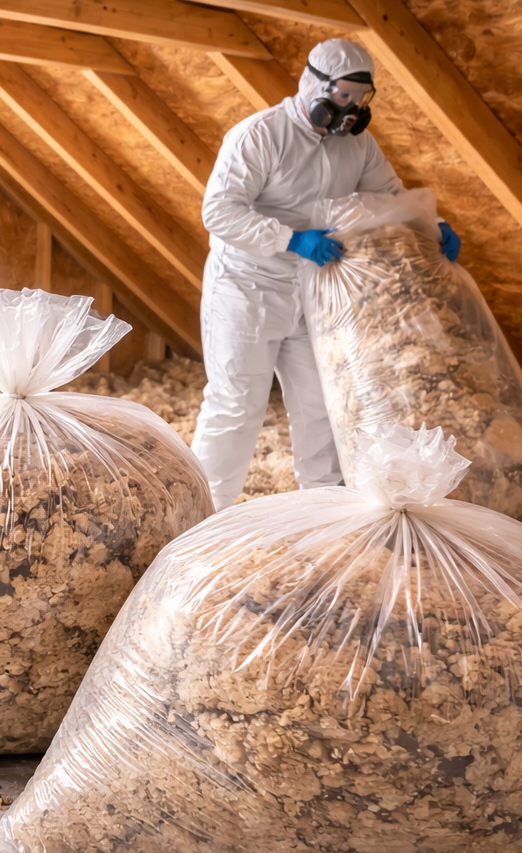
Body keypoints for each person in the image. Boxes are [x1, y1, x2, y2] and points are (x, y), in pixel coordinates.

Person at [192, 38, 461, 510]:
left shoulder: (357, 145)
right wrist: (290, 238)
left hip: (314, 290)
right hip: (247, 287)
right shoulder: (260, 135)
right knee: (237, 406)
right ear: (314, 85)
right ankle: (201, 517)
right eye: (343, 96)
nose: (352, 108)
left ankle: (325, 517)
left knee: (323, 406)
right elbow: (219, 211)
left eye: (361, 98)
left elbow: (387, 196)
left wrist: (432, 225)